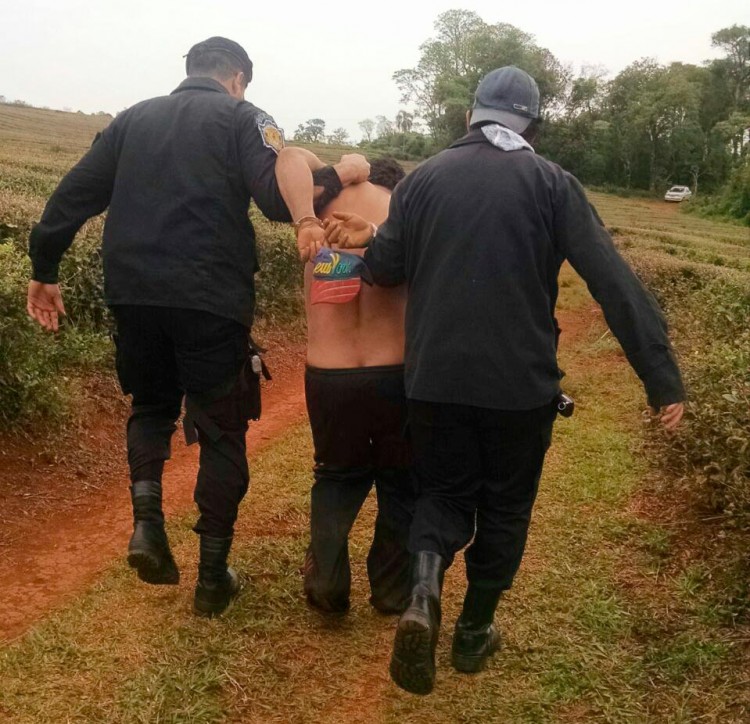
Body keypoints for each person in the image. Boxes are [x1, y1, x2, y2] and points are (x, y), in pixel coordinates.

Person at [324, 66, 685, 694]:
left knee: (441, 494)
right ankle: (472, 633)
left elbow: (385, 268)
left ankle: (423, 596)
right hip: (520, 387)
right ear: (532, 127)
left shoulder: (424, 180)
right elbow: (611, 280)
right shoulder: (552, 183)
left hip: (433, 379)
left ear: (471, 115)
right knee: (506, 507)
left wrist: (372, 240)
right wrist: (662, 377)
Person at [26, 36, 368, 618]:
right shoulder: (243, 118)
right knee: (220, 429)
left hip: (132, 293)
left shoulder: (131, 120)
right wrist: (340, 173)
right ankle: (212, 578)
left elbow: (73, 196)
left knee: (150, 407)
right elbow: (276, 202)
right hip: (210, 297)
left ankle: (147, 525)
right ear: (238, 79)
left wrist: (45, 268)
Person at [302, 158, 416, 615]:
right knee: (401, 481)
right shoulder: (403, 214)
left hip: (329, 374)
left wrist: (337, 173)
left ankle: (327, 583)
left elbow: (287, 163)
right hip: (396, 371)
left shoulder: (319, 207)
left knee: (335, 476)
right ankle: (392, 590)